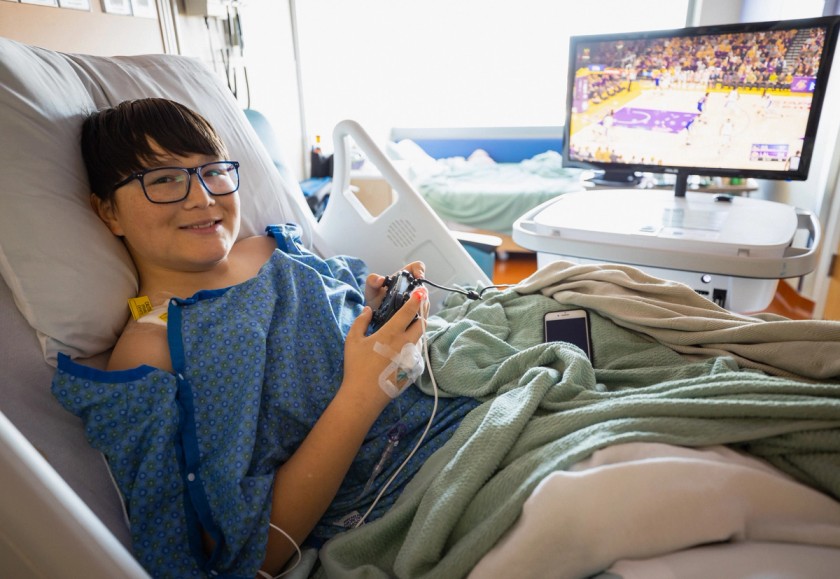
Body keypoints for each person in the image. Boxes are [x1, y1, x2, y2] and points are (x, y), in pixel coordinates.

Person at [52, 98, 481, 578]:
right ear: (108, 213)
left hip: (458, 394)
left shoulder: (272, 246)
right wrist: (365, 390)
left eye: (211, 171)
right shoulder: (152, 350)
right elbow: (247, 551)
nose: (201, 197)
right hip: (410, 475)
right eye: (164, 179)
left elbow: (340, 314)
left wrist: (382, 312)